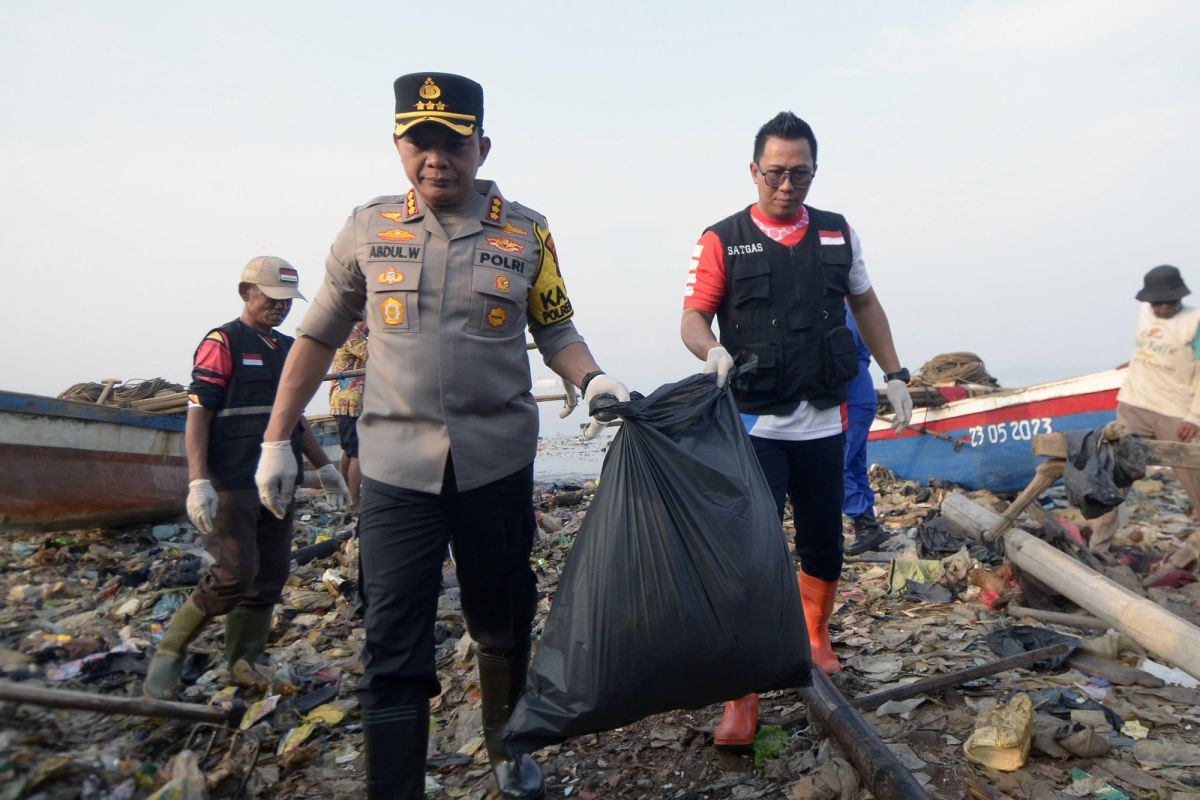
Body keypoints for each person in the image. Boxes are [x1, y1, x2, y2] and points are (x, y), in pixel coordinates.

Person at [254, 73, 628, 800]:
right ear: (399, 145)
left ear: (481, 146)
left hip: (494, 464)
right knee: (391, 640)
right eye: (420, 143)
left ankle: (506, 749)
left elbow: (554, 325)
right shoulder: (368, 228)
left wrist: (594, 379)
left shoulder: (527, 230)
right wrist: (277, 439)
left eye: (452, 144)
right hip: (395, 470)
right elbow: (319, 334)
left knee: (503, 615)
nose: (436, 160)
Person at [680, 111, 912, 749]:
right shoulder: (722, 238)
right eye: (776, 173)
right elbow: (694, 316)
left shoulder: (838, 234)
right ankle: (743, 690)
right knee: (750, 558)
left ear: (814, 171)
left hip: (824, 421)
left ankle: (813, 637)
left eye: (800, 173)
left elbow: (864, 302)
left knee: (824, 546)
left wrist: (895, 373)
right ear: (754, 171)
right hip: (755, 425)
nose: (788, 185)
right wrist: (710, 352)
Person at [144, 257, 350, 700]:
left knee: (271, 572)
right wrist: (198, 480)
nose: (279, 309)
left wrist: (325, 467)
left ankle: (245, 658)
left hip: (279, 478)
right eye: (270, 299)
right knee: (234, 574)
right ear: (245, 293)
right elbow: (199, 413)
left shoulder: (285, 347)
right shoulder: (223, 342)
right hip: (232, 477)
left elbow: (294, 416)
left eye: (286, 303)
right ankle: (170, 650)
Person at [1089, 265, 1200, 553]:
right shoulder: (1145, 313)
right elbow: (1152, 346)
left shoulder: (1194, 321)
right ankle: (1098, 548)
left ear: (1179, 298)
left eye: (1169, 302)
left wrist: (1195, 416)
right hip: (1134, 404)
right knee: (1113, 476)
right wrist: (1135, 362)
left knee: (1193, 479)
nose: (1163, 307)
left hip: (1175, 413)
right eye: (1157, 302)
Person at [842, 309, 890, 555]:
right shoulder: (851, 309)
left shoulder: (846, 310)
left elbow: (843, 343)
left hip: (852, 398)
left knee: (837, 467)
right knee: (855, 465)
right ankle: (868, 528)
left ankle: (865, 524)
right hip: (857, 396)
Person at [329, 320, 369, 512]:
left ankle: (347, 494)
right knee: (357, 451)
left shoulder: (355, 335)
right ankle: (354, 501)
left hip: (351, 402)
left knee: (350, 448)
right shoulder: (352, 335)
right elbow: (374, 355)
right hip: (348, 401)